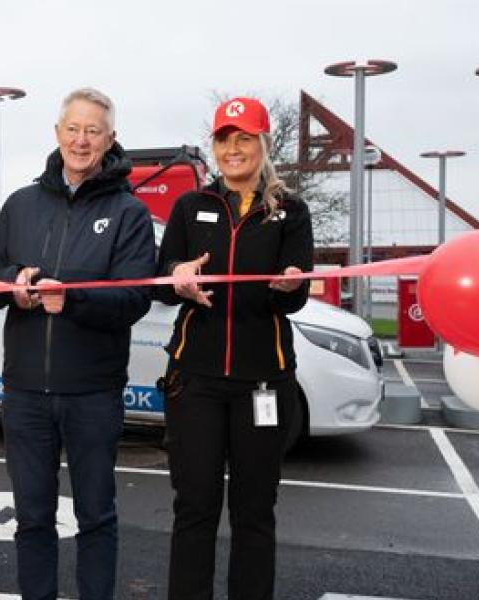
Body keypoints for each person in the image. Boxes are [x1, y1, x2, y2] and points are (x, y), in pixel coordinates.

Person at [0, 87, 156, 600]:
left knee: (96, 517)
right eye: (73, 129)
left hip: (92, 395)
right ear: (57, 134)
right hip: (26, 393)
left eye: (93, 131)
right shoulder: (21, 204)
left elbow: (135, 299)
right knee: (32, 519)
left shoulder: (128, 213)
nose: (81, 140)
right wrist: (16, 282)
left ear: (110, 140)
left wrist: (70, 300)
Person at [153, 96, 314, 600]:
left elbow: (296, 296)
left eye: (245, 138)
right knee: (195, 508)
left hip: (263, 383)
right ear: (215, 147)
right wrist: (176, 278)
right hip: (195, 383)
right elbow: (159, 285)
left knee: (254, 512)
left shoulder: (290, 210)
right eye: (225, 139)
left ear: (263, 144)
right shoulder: (190, 206)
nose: (234, 149)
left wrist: (286, 286)